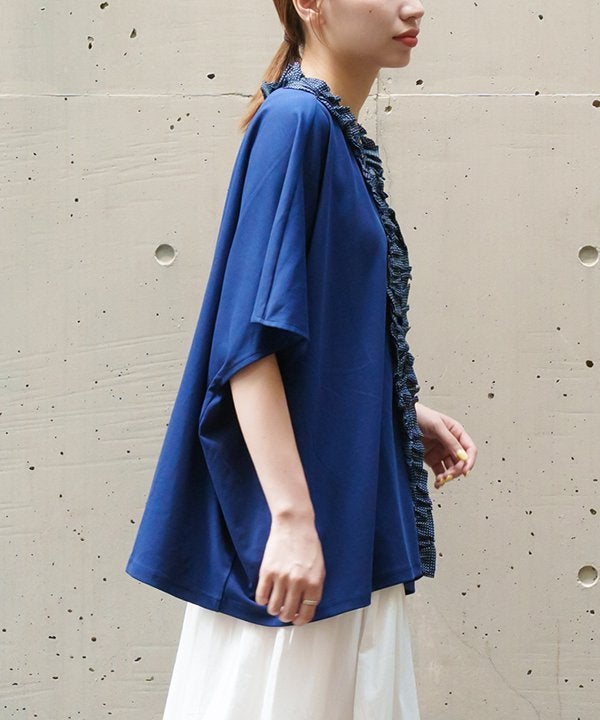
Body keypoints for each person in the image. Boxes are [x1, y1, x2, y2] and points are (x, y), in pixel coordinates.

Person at [126, 1, 478, 717]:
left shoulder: (327, 129)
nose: (413, 6)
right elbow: (246, 346)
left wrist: (399, 411)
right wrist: (289, 521)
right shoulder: (296, 123)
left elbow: (309, 331)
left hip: (337, 519)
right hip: (304, 543)